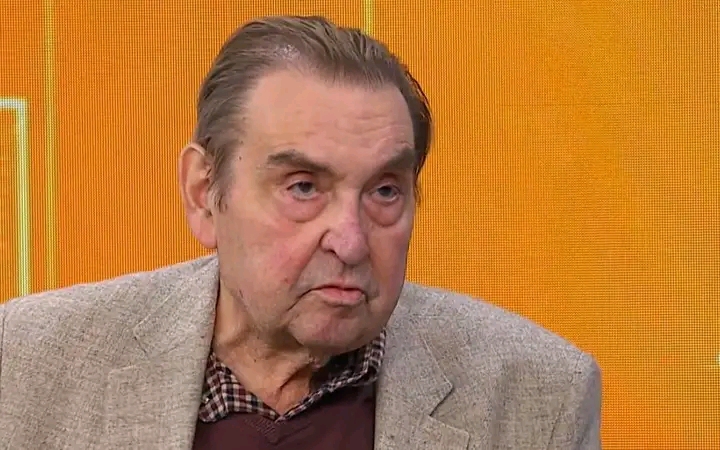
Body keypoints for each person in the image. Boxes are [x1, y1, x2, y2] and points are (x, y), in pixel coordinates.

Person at [0, 15, 601, 450]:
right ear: (204, 193)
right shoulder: (29, 363)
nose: (351, 242)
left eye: (384, 191)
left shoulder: (540, 394)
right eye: (304, 187)